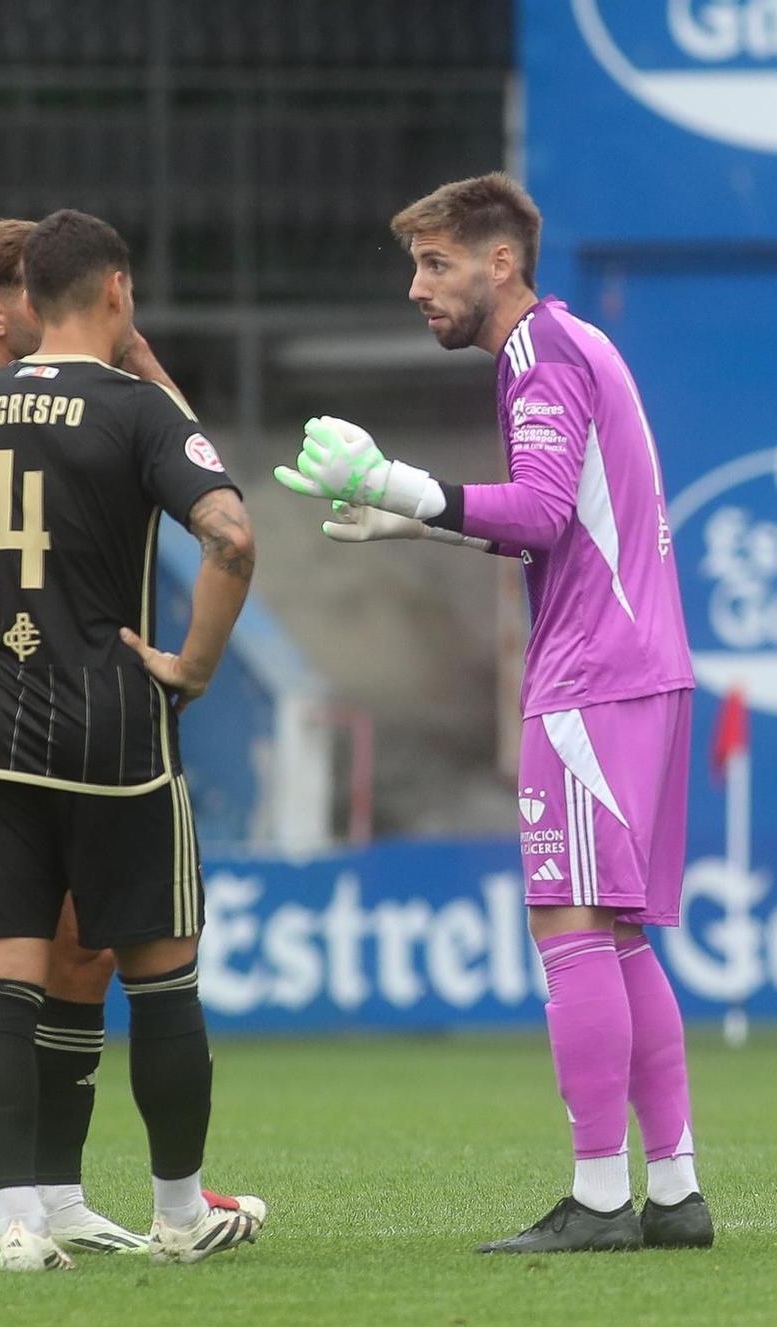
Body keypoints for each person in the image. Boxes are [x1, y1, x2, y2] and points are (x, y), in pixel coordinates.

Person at [271, 173, 712, 1254]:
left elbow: (545, 514)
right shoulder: (572, 343)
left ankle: (600, 1200)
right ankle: (674, 1192)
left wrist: (404, 485)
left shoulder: (535, 356)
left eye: (433, 264)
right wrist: (415, 524)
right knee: (616, 934)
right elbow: (547, 520)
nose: (415, 287)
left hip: (591, 674)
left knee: (567, 923)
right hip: (643, 666)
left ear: (498, 262)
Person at [0, 209, 265, 1272]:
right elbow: (227, 527)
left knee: (35, 966)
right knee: (125, 970)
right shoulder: (18, 400)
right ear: (110, 288)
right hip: (98, 721)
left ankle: (33, 1212)